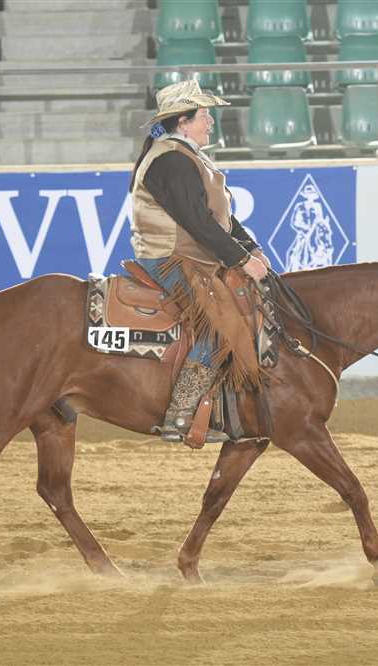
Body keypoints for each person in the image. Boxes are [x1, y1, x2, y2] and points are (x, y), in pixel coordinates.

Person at [129, 79, 270, 446]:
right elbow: (198, 222)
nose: (211, 122)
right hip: (169, 258)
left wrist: (251, 249)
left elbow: (220, 218)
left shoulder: (182, 155)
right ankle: (179, 416)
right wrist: (241, 259)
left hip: (189, 257)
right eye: (204, 115)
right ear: (183, 121)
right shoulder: (171, 160)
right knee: (218, 327)